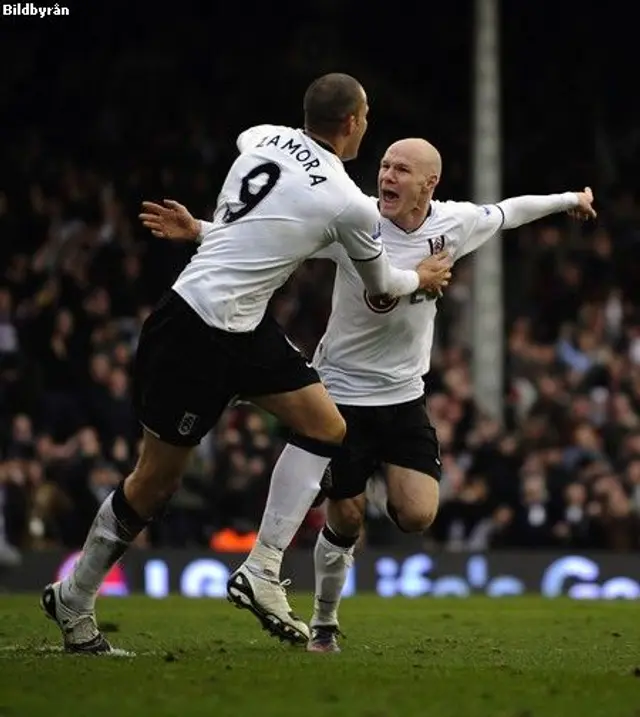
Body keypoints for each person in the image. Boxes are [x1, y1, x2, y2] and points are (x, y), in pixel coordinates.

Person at [40, 73, 450, 654]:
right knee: (153, 486)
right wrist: (425, 277)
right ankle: (75, 596)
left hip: (244, 324)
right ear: (355, 122)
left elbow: (260, 210)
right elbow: (382, 282)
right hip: (193, 329)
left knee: (327, 426)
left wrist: (206, 229)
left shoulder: (259, 137)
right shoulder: (348, 202)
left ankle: (261, 568)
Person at [144, 137, 596, 651]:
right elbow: (272, 238)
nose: (387, 176)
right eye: (384, 165)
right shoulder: (357, 222)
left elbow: (510, 212)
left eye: (402, 170)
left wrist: (570, 201)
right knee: (349, 515)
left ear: (430, 184)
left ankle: (319, 569)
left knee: (418, 514)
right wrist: (200, 230)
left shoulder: (454, 225)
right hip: (340, 392)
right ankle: (324, 622)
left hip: (404, 395)